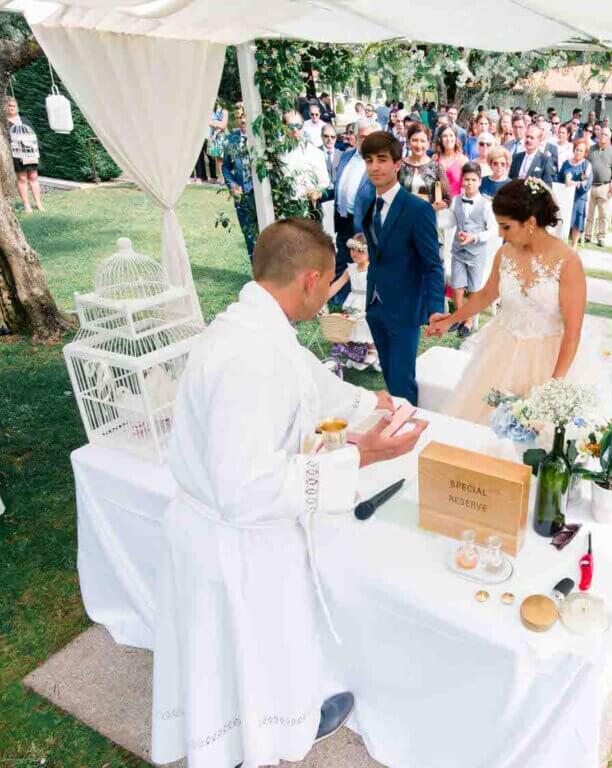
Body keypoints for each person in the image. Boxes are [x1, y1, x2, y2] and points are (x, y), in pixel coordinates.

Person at [150, 219, 427, 768]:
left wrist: (376, 404)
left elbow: (312, 386)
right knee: (253, 644)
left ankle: (278, 712)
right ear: (309, 280)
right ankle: (262, 731)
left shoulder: (257, 326)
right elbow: (245, 488)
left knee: (262, 643)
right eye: (329, 283)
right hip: (234, 539)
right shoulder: (248, 356)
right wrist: (362, 457)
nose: (330, 293)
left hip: (231, 531)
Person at [427, 179, 586, 425]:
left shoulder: (568, 262)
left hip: (547, 361)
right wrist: (450, 320)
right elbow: (485, 295)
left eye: (506, 227)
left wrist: (554, 388)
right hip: (501, 351)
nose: (500, 234)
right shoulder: (505, 254)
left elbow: (573, 333)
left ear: (531, 223)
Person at [361, 132, 446, 404]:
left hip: (405, 307)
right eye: (369, 160)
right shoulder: (368, 204)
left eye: (382, 159)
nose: (375, 166)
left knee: (401, 381)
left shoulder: (417, 210)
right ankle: (398, 428)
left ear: (398, 164)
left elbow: (433, 265)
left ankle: (408, 434)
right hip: (375, 305)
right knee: (389, 375)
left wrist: (435, 309)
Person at [332, 119, 377, 303]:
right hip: (342, 218)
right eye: (362, 137)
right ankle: (339, 299)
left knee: (361, 261)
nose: (366, 141)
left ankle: (361, 301)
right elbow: (338, 184)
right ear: (355, 138)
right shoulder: (345, 156)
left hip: (362, 222)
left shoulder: (378, 163)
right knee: (342, 257)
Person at [447, 162, 494, 338]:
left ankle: (469, 321)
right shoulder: (456, 200)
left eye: (473, 180)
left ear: (480, 181)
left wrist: (474, 237)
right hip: (458, 250)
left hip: (476, 252)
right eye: (466, 179)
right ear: (462, 181)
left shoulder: (486, 204)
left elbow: (492, 230)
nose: (469, 183)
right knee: (457, 285)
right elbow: (451, 222)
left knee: (474, 288)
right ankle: (459, 316)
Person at [325, 233, 378, 368]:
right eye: (353, 249)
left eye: (360, 251)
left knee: (367, 324)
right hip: (353, 301)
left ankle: (373, 349)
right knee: (351, 324)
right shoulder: (351, 269)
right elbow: (337, 284)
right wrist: (324, 297)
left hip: (368, 301)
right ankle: (355, 351)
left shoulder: (373, 269)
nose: (355, 253)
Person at [222, 104, 257, 260]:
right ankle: (256, 274)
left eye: (244, 117)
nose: (242, 121)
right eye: (238, 118)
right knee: (248, 234)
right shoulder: (232, 139)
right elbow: (226, 167)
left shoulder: (260, 138)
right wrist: (232, 185)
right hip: (242, 195)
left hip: (259, 195)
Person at [281, 111, 331, 219]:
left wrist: (317, 192)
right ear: (284, 127)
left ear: (303, 127)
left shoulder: (315, 153)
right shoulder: (278, 153)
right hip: (285, 209)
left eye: (298, 126)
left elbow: (325, 182)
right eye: (290, 126)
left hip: (309, 207)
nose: (295, 130)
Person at [398, 123, 451, 210]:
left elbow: (447, 198)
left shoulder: (437, 167)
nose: (419, 145)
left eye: (422, 141)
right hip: (402, 218)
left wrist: (435, 207)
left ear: (428, 143)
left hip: (427, 218)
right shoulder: (399, 166)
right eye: (415, 140)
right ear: (408, 142)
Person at [583, 128, 612, 247]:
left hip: (604, 186)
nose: (602, 136)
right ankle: (587, 235)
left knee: (603, 214)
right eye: (601, 133)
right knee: (589, 213)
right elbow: (586, 165)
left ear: (609, 137)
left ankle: (601, 236)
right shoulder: (592, 149)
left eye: (605, 134)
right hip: (590, 185)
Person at [6, 97, 43, 213]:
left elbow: (33, 135)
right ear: (5, 107)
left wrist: (37, 149)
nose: (11, 107)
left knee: (33, 177)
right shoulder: (3, 123)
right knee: (22, 179)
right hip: (17, 154)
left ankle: (38, 204)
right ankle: (27, 206)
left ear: (17, 107)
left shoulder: (24, 120)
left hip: (30, 152)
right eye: (9, 105)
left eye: (13, 105)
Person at [558, 139, 594, 249]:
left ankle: (574, 246)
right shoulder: (566, 163)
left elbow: (587, 184)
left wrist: (573, 183)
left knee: (576, 223)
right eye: (577, 150)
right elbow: (559, 179)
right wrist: (566, 182)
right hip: (566, 198)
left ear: (585, 153)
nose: (578, 152)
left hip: (579, 198)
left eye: (581, 151)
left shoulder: (586, 165)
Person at [434, 124, 469, 197]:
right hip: (437, 203)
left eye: (451, 135)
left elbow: (467, 187)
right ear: (440, 139)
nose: (448, 139)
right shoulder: (435, 158)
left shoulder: (463, 160)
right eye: (445, 136)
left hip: (456, 204)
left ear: (456, 138)